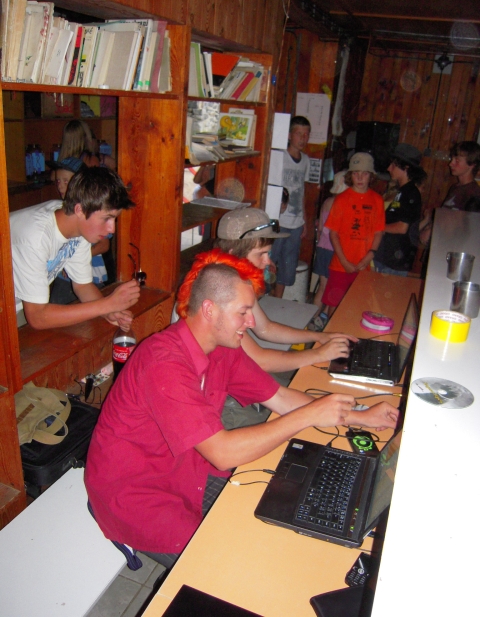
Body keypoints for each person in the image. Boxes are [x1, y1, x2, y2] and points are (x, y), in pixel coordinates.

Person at [84, 251, 399, 566]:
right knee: (229, 563)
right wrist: (309, 416)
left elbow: (280, 398)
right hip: (135, 493)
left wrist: (361, 417)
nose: (251, 322)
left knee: (275, 513)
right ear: (210, 310)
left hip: (186, 467)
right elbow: (222, 453)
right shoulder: (163, 363)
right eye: (243, 312)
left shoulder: (223, 349)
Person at [215, 207, 355, 373]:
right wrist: (319, 354)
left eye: (268, 253)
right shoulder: (221, 292)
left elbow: (265, 328)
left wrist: (320, 336)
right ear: (232, 255)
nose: (268, 261)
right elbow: (260, 361)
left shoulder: (239, 280)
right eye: (261, 254)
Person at [10, 166, 140, 330]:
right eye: (106, 218)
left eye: (114, 219)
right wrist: (107, 304)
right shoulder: (35, 237)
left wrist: (109, 312)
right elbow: (37, 317)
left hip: (17, 304)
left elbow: (82, 286)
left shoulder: (76, 227)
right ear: (80, 210)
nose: (112, 229)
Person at [321, 153, 385, 317]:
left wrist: (369, 257)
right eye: (356, 173)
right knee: (334, 305)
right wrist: (344, 261)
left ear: (371, 176)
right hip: (340, 265)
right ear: (350, 175)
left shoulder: (377, 200)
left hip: (364, 265)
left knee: (358, 306)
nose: (360, 178)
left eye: (365, 173)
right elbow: (333, 233)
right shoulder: (341, 199)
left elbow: (379, 232)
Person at [47, 157, 113, 304]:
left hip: (90, 274)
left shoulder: (94, 212)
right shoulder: (57, 211)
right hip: (64, 278)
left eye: (66, 181)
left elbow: (104, 245)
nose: (60, 187)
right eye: (58, 181)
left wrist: (70, 260)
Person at [270, 116, 311, 298]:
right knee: (269, 262)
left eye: (306, 135)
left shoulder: (306, 160)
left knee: (288, 266)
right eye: (298, 134)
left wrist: (305, 221)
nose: (302, 138)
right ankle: (261, 299)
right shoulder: (279, 157)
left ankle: (278, 300)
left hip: (296, 222)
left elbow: (302, 191)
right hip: (279, 221)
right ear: (289, 135)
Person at [374, 144, 423, 276]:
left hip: (396, 260)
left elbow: (402, 227)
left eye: (393, 165)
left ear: (406, 168)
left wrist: (376, 227)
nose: (389, 168)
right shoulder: (403, 191)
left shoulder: (410, 193)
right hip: (388, 256)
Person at [312, 170, 348, 328]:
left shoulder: (327, 201)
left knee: (323, 286)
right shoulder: (343, 203)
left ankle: (315, 317)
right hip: (334, 250)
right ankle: (321, 316)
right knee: (332, 287)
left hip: (322, 248)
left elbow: (320, 227)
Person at [442, 141, 480, 211]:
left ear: (472, 164)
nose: (451, 164)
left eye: (457, 161)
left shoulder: (474, 193)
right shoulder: (455, 187)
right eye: (452, 159)